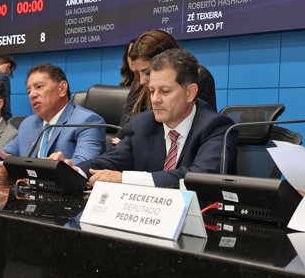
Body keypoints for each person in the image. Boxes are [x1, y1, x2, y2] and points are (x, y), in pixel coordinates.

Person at [76, 48, 235, 188]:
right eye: (152, 91)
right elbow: (109, 161)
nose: (155, 99)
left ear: (190, 93)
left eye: (165, 91)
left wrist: (125, 179)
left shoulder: (217, 127)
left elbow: (199, 178)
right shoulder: (142, 123)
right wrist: (74, 171)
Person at [0, 63, 105, 177]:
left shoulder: (87, 121)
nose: (32, 94)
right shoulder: (28, 124)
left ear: (62, 88)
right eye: (29, 91)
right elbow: (1, 154)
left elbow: (84, 166)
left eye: (39, 87)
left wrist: (16, 169)